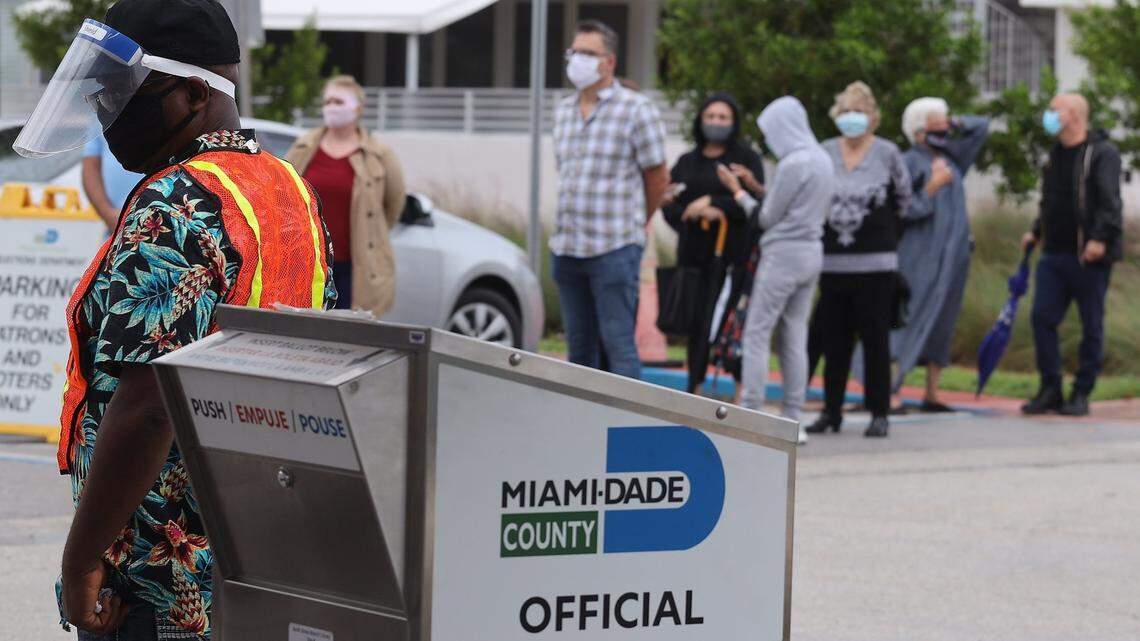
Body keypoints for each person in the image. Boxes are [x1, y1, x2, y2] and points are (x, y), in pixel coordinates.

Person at [13, 0, 337, 636]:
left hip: (159, 575)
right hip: (257, 552)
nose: (107, 111)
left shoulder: (176, 198)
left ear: (191, 94)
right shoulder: (288, 188)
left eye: (121, 93)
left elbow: (150, 404)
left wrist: (83, 560)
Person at [550, 20, 668, 379]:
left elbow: (657, 177)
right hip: (567, 248)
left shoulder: (635, 109)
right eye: (575, 52)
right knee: (580, 349)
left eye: (589, 53)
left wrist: (638, 221)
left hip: (614, 247)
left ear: (610, 62)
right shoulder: (564, 110)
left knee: (618, 344)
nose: (578, 61)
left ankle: (628, 429)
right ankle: (583, 428)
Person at [717, 96, 830, 444]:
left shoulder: (792, 163)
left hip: (782, 255)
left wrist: (737, 193)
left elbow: (766, 217)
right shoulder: (822, 158)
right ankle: (793, 417)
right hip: (812, 252)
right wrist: (755, 185)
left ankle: (752, 412)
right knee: (795, 335)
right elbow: (791, 203)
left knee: (757, 332)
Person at [806, 82, 911, 438]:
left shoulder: (888, 152)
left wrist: (886, 236)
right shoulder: (823, 152)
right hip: (831, 263)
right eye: (847, 111)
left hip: (876, 264)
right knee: (834, 341)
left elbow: (904, 200)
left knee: (875, 342)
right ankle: (831, 411)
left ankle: (878, 412)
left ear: (873, 117)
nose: (853, 118)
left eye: (860, 111)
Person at [1020, 93, 1123, 416]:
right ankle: (1050, 387)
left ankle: (1081, 391)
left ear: (1074, 115)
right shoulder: (1054, 154)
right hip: (1053, 253)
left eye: (1054, 109)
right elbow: (1051, 200)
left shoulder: (1101, 154)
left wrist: (1099, 238)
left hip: (1088, 255)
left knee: (1090, 324)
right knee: (1041, 318)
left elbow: (1110, 202)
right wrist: (1036, 231)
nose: (1048, 115)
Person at [661, 92, 765, 394]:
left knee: (730, 322)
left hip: (733, 258)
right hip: (694, 257)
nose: (715, 123)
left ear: (733, 123)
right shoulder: (686, 162)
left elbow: (754, 206)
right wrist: (693, 213)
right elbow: (669, 203)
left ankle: (737, 392)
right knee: (696, 324)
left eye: (722, 118)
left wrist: (715, 204)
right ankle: (695, 386)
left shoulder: (745, 159)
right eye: (710, 117)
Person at [895, 98, 990, 411]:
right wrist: (933, 186)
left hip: (953, 257)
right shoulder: (908, 162)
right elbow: (903, 209)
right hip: (919, 254)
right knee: (907, 317)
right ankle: (891, 388)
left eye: (945, 124)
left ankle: (932, 392)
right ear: (919, 131)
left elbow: (982, 127)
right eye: (936, 124)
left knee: (944, 319)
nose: (943, 129)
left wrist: (958, 121)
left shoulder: (953, 159)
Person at [287, 75, 406, 314]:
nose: (331, 107)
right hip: (309, 264)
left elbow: (393, 205)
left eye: (339, 102)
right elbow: (284, 192)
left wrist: (371, 231)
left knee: (348, 335)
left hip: (355, 268)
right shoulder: (304, 147)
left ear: (358, 109)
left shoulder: (378, 154)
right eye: (328, 101)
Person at [81, 134, 144, 229]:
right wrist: (108, 214)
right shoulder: (97, 121)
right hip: (116, 223)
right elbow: (91, 166)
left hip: (160, 215)